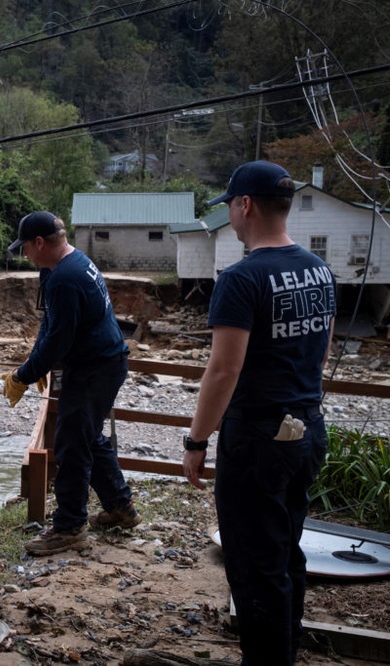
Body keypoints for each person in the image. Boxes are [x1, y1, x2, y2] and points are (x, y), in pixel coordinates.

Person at [183, 160, 335, 665]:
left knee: (253, 566)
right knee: (286, 553)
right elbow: (323, 348)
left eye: (229, 204)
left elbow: (223, 371)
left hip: (258, 439)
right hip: (308, 428)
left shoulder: (242, 278)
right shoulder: (319, 269)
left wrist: (196, 441)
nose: (229, 214)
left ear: (245, 205)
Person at [3, 210, 139, 557]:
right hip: (101, 362)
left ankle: (69, 527)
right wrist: (33, 368)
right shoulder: (64, 266)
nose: (25, 255)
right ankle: (120, 507)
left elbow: (58, 340)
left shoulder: (65, 278)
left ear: (39, 242)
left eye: (25, 248)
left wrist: (23, 375)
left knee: (71, 445)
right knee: (88, 437)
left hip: (96, 368)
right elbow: (49, 327)